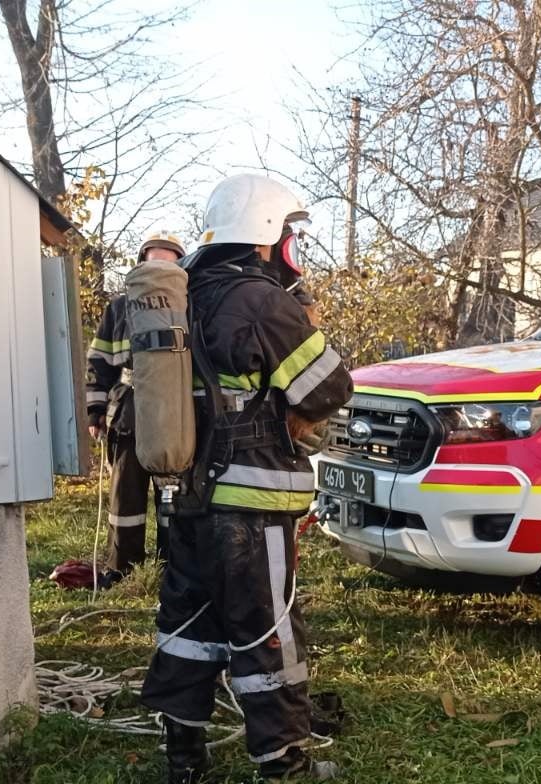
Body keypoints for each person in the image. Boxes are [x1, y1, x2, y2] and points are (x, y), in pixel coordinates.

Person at [140, 175, 353, 782]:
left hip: (186, 495)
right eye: (289, 233)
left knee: (188, 627)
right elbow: (328, 388)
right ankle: (283, 762)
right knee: (267, 634)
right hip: (250, 502)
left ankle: (184, 760)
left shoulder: (184, 294)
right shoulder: (260, 300)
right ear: (267, 234)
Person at [85, 230, 187, 586]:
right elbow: (99, 361)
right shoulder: (119, 307)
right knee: (124, 494)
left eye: (168, 263)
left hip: (174, 414)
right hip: (129, 412)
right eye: (153, 261)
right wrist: (95, 411)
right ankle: (121, 567)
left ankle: (173, 566)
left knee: (174, 495)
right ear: (141, 263)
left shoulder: (190, 304)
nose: (159, 270)